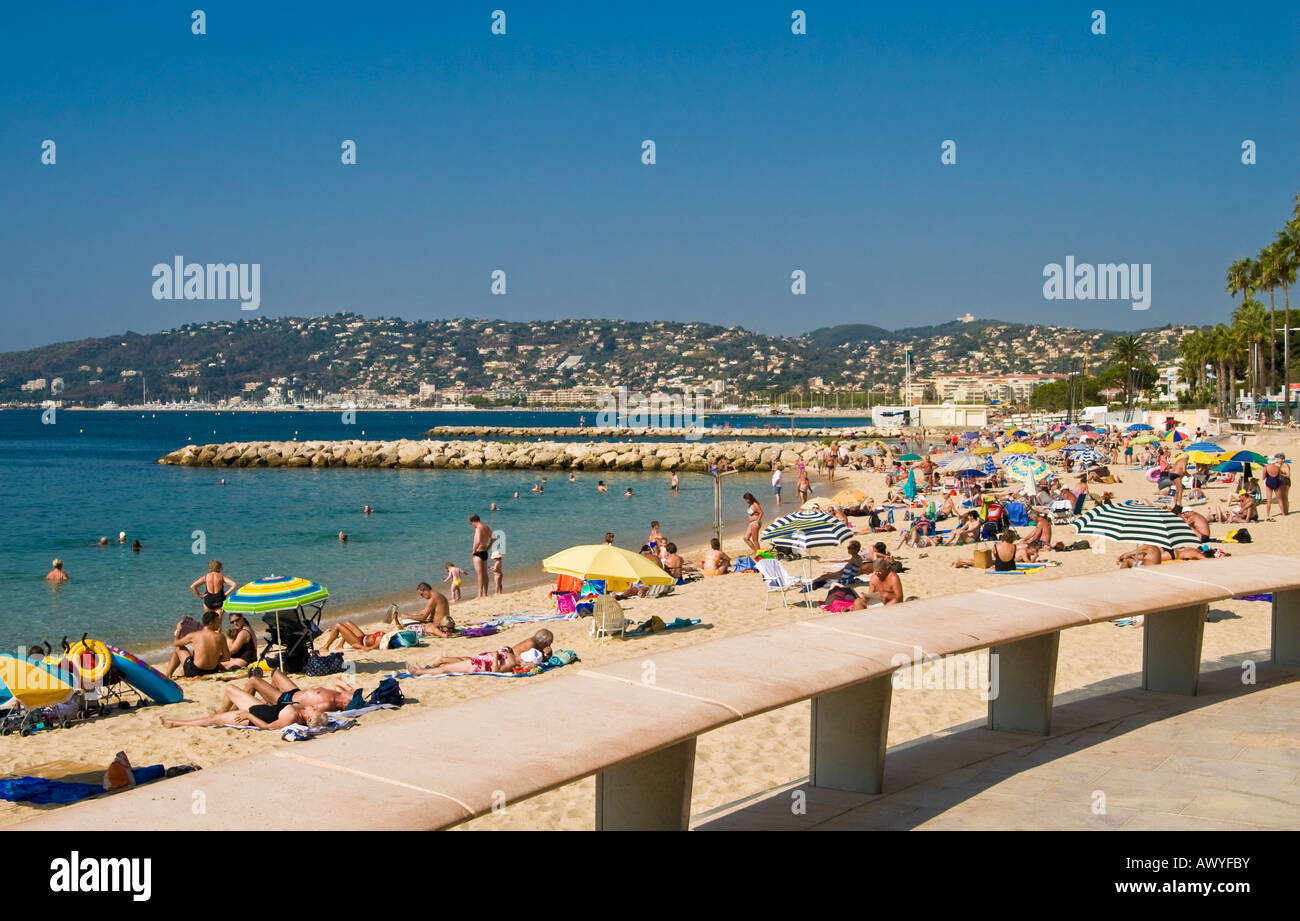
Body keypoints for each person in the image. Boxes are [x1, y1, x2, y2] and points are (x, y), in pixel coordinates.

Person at [160, 683, 326, 731]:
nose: (314, 707)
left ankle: (175, 723)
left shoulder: (291, 718)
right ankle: (222, 713)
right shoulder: (300, 708)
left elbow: (267, 727)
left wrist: (248, 716)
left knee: (213, 719)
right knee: (230, 689)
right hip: (259, 707)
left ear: (309, 717)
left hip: (251, 718)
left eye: (315, 710)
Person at [406, 630, 553, 677]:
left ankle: (420, 671)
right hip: (483, 662)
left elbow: (496, 671)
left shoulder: (517, 658)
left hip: (480, 665)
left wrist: (496, 656)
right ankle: (435, 663)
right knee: (457, 663)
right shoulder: (530, 647)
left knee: (448, 668)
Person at [242, 668, 361, 714]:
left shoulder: (328, 704)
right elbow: (336, 680)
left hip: (286, 700)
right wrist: (347, 687)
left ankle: (236, 708)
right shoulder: (338, 695)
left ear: (345, 703)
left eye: (353, 695)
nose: (352, 691)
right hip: (294, 692)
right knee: (275, 673)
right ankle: (269, 701)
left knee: (253, 680)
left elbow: (308, 711)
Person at [165, 610, 231, 678]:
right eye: (218, 622)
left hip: (195, 672)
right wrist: (214, 659)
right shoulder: (221, 637)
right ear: (211, 623)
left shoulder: (194, 635)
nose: (219, 624)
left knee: (178, 648)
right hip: (212, 670)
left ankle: (168, 675)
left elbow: (176, 643)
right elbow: (227, 658)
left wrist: (178, 631)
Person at [319, 620, 388, 652]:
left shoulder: (380, 640)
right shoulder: (385, 635)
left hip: (359, 642)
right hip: (363, 637)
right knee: (347, 623)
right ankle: (340, 646)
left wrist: (359, 646)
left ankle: (326, 647)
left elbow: (368, 649)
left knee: (338, 625)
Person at [469, 514, 492, 598]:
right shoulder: (486, 527)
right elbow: (493, 538)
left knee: (479, 574)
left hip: (478, 552)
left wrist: (474, 550)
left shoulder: (478, 528)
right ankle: (485, 593)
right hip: (485, 552)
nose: (472, 525)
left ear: (473, 521)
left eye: (471, 523)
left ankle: (480, 594)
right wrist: (488, 547)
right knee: (485, 573)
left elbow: (478, 540)